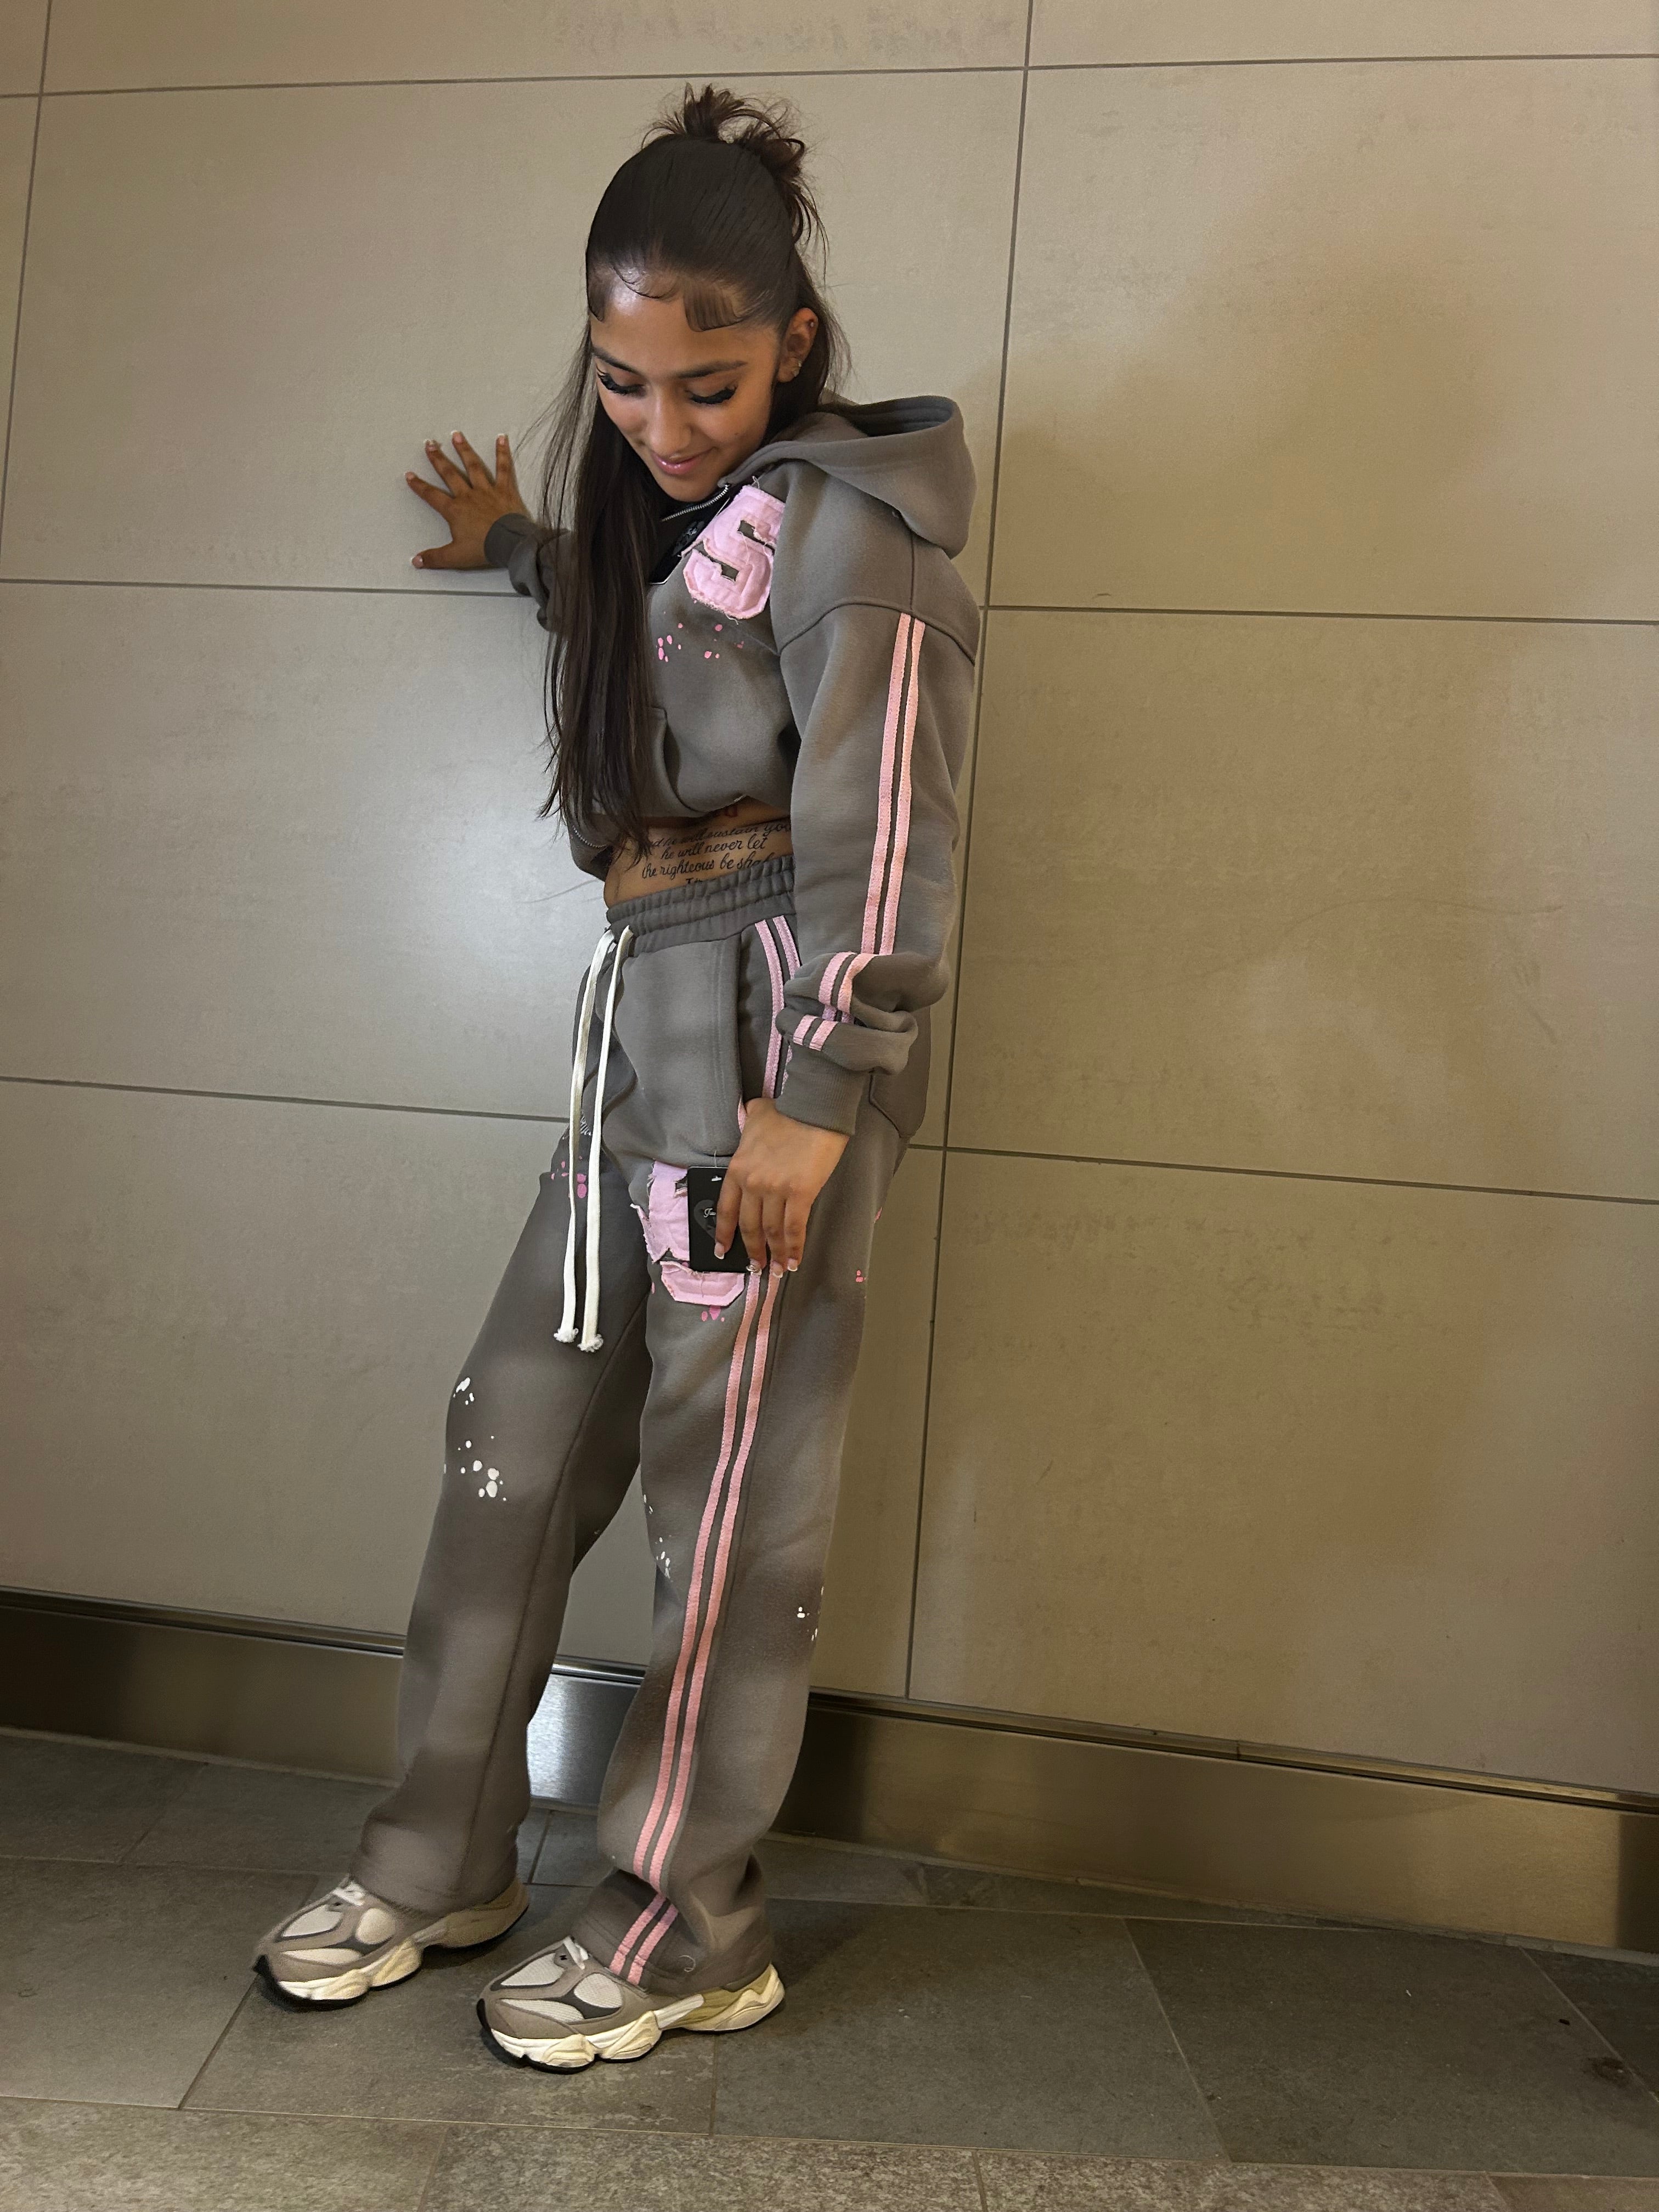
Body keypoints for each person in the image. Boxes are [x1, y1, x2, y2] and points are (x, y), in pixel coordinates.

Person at [253, 83, 978, 2072]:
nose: (664, 422)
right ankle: (439, 1857)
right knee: (513, 1439)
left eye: (708, 383)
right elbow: (658, 636)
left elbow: (890, 835)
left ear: (796, 344)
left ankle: (685, 1924)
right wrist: (518, 543)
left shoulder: (860, 532)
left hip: (771, 1043)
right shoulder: (677, 522)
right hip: (637, 1029)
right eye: (622, 379)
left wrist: (819, 1098)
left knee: (724, 1497)